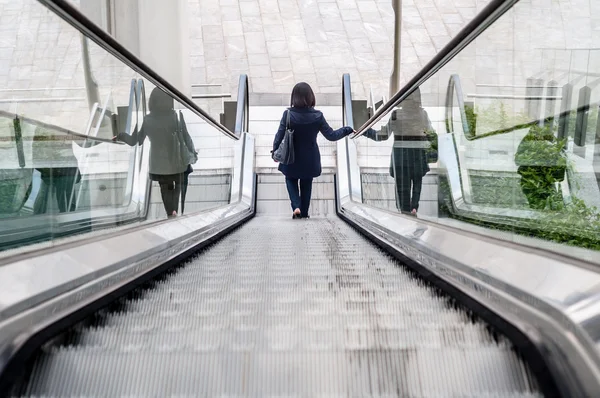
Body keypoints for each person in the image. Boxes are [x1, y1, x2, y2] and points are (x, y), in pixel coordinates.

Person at [272, 82, 355, 219]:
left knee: (290, 179)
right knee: (306, 184)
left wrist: (274, 152)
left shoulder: (288, 115)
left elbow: (279, 135)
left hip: (290, 156)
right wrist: (348, 129)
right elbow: (331, 135)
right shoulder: (318, 116)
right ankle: (304, 213)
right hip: (310, 158)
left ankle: (296, 206)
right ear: (311, 97)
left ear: (294, 97)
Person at [116, 87, 196, 218]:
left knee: (165, 187)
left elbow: (135, 141)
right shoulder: (176, 116)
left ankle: (171, 213)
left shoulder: (147, 120)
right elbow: (186, 137)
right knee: (179, 183)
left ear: (152, 102)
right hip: (178, 160)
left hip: (159, 163)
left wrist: (120, 135)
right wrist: (192, 153)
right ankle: (177, 210)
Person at [363, 88, 435, 216]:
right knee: (417, 181)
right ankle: (414, 208)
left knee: (402, 186)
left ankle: (404, 211)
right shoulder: (422, 114)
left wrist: (365, 131)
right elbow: (431, 134)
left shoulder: (396, 115)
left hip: (400, 156)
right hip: (418, 154)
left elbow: (382, 135)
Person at [514, 124, 566, 210]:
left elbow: (560, 176)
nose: (540, 138)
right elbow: (517, 160)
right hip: (529, 182)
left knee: (539, 208)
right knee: (531, 207)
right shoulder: (527, 143)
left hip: (544, 185)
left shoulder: (553, 149)